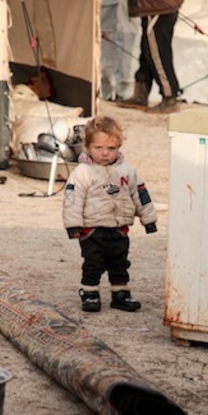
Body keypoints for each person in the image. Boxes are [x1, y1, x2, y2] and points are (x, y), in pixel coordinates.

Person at [62, 115, 158, 313]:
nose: (105, 153)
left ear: (119, 147)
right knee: (93, 262)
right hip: (92, 229)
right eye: (99, 148)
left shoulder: (127, 171)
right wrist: (73, 225)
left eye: (111, 148)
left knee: (120, 262)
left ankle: (120, 293)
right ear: (88, 147)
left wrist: (148, 219)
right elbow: (73, 198)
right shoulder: (83, 172)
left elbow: (140, 194)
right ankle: (89, 293)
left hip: (119, 229)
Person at [116, 0, 184, 114]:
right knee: (147, 49)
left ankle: (170, 96)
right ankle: (141, 93)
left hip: (157, 2)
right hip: (159, 0)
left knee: (157, 53)